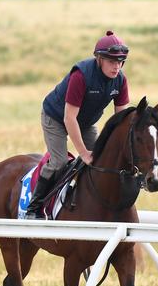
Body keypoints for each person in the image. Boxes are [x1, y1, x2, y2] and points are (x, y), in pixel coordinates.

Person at [24, 30, 130, 219]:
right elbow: (69, 119)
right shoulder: (81, 75)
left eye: (121, 62)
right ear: (99, 59)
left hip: (85, 122)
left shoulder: (121, 80)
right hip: (56, 118)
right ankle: (34, 207)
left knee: (101, 161)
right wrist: (83, 152)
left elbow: (120, 121)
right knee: (59, 162)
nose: (117, 67)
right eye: (112, 61)